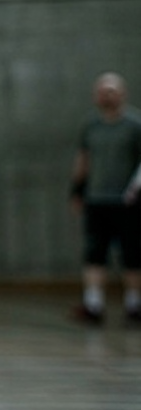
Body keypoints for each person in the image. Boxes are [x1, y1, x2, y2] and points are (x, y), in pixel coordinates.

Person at [68, 72, 141, 325]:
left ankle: (134, 305)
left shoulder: (134, 125)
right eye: (101, 91)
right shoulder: (91, 125)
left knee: (132, 255)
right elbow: (83, 159)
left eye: (111, 90)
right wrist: (76, 190)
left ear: (122, 93)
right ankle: (93, 304)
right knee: (94, 253)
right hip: (96, 200)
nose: (106, 95)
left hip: (127, 202)